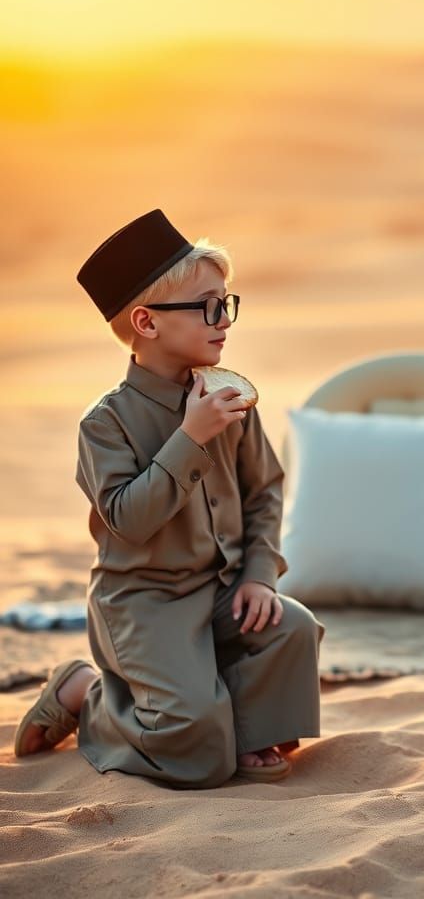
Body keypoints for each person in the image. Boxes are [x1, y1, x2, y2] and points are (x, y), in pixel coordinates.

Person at [14, 208, 323, 788]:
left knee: (292, 628)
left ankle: (241, 729)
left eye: (226, 303)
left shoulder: (230, 398)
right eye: (206, 306)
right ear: (147, 323)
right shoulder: (105, 424)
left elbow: (265, 492)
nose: (223, 320)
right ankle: (85, 694)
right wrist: (189, 438)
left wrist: (259, 574)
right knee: (199, 758)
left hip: (222, 591)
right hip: (143, 603)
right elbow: (129, 520)